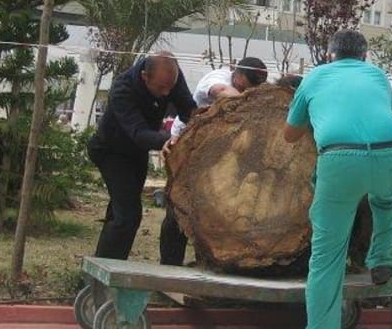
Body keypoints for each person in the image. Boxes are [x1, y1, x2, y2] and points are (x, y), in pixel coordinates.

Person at [284, 29, 392, 329]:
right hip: (391, 156)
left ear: (330, 54)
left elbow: (290, 134)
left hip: (339, 162)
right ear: (365, 56)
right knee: (386, 201)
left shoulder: (315, 78)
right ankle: (381, 257)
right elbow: (380, 116)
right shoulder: (378, 76)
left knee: (327, 258)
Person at [159, 57, 269, 266]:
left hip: (218, 157)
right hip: (185, 149)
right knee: (178, 209)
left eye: (256, 87)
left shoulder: (255, 91)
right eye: (245, 84)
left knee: (215, 211)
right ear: (235, 73)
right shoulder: (216, 78)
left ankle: (208, 262)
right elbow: (222, 93)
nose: (249, 90)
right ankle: (169, 265)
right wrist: (253, 100)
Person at [87, 52, 195, 260]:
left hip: (136, 154)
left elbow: (188, 109)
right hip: (111, 152)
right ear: (145, 77)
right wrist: (165, 140)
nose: (167, 94)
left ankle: (101, 267)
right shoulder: (122, 89)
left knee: (119, 214)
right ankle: (109, 276)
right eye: (161, 88)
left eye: (170, 88)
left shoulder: (171, 77)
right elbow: (137, 132)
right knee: (128, 216)